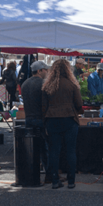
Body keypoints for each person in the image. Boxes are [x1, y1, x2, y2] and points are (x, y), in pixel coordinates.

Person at [41, 59, 83, 189]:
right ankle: (71, 181)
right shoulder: (72, 84)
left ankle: (54, 180)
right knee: (71, 151)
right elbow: (79, 104)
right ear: (68, 70)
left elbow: (43, 107)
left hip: (52, 119)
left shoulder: (47, 86)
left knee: (54, 151)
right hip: (69, 118)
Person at [21, 61, 50, 174]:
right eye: (45, 70)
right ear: (39, 71)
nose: (47, 72)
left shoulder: (25, 84)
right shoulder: (43, 83)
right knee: (44, 147)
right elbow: (46, 103)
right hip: (40, 119)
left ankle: (32, 172)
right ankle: (48, 173)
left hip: (28, 118)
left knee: (32, 147)